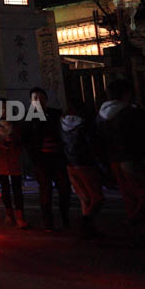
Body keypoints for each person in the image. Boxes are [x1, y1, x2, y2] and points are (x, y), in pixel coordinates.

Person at [96, 79, 145, 231]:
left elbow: (99, 139)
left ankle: (135, 230)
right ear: (127, 94)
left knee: (128, 195)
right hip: (131, 158)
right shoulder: (131, 113)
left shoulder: (101, 116)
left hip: (113, 159)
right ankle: (133, 222)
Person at [24, 87, 71, 231]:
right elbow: (27, 141)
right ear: (31, 101)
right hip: (41, 161)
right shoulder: (29, 118)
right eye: (35, 98)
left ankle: (65, 217)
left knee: (64, 189)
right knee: (45, 190)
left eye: (41, 97)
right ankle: (48, 221)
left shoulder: (56, 114)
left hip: (58, 159)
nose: (39, 101)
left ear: (46, 99)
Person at [61, 94, 104, 239]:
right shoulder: (84, 124)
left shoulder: (62, 124)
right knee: (97, 197)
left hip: (70, 164)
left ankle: (88, 229)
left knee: (84, 198)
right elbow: (92, 144)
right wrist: (101, 164)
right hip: (85, 163)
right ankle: (86, 223)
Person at [0, 93, 28, 228]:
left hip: (14, 157)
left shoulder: (15, 123)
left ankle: (20, 216)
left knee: (17, 188)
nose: (2, 111)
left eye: (4, 108)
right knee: (4, 187)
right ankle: (9, 214)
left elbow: (21, 139)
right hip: (0, 158)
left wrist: (13, 142)